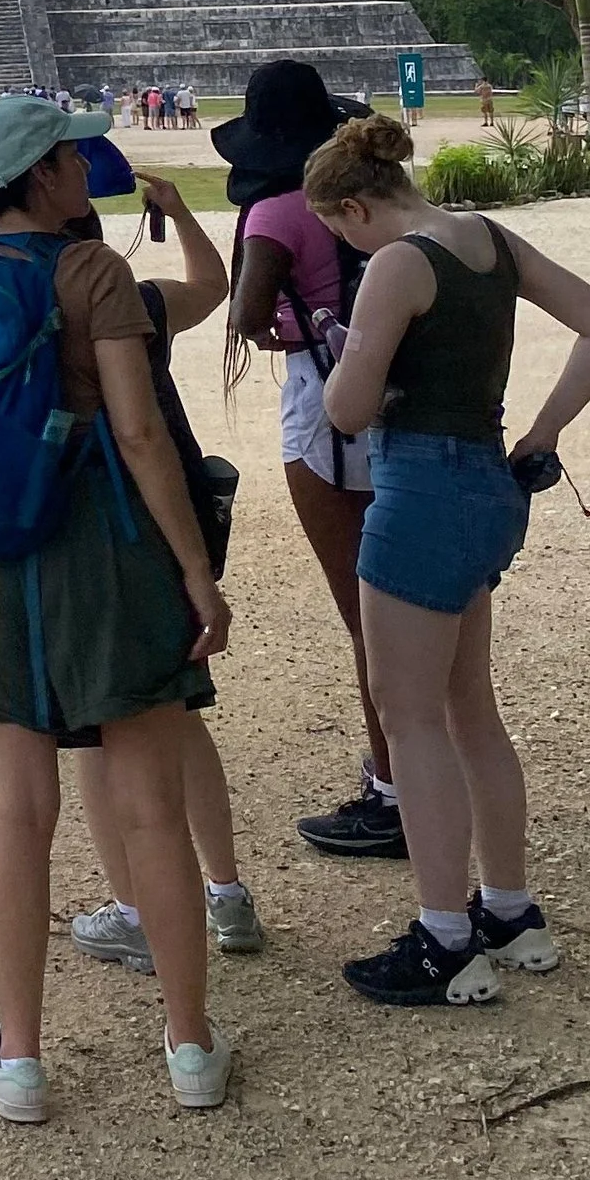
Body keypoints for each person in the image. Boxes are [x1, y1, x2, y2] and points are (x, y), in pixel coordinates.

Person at [0, 96, 234, 1122]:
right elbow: (140, 437)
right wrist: (194, 568)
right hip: (95, 548)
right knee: (149, 807)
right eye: (65, 156)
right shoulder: (89, 271)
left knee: (14, 811)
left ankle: (17, 1058)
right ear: (44, 175)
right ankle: (187, 1046)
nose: (79, 168)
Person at [306, 113, 590, 1007]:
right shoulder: (486, 238)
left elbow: (347, 408)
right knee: (469, 706)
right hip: (489, 478)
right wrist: (543, 431)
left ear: (356, 206)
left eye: (340, 230)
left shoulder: (398, 263)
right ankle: (511, 910)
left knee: (408, 716)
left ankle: (446, 935)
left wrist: (339, 350)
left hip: (419, 489)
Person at [49, 167, 266, 971]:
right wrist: (175, 209)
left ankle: (136, 909)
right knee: (178, 715)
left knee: (101, 734)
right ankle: (226, 891)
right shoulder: (134, 301)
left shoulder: (29, 307)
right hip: (167, 522)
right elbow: (213, 282)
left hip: (89, 525)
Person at [217, 60, 403, 855]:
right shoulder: (373, 201)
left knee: (366, 618)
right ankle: (424, 764)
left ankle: (392, 789)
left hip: (322, 402)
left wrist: (294, 322)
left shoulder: (275, 213)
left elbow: (248, 315)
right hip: (401, 391)